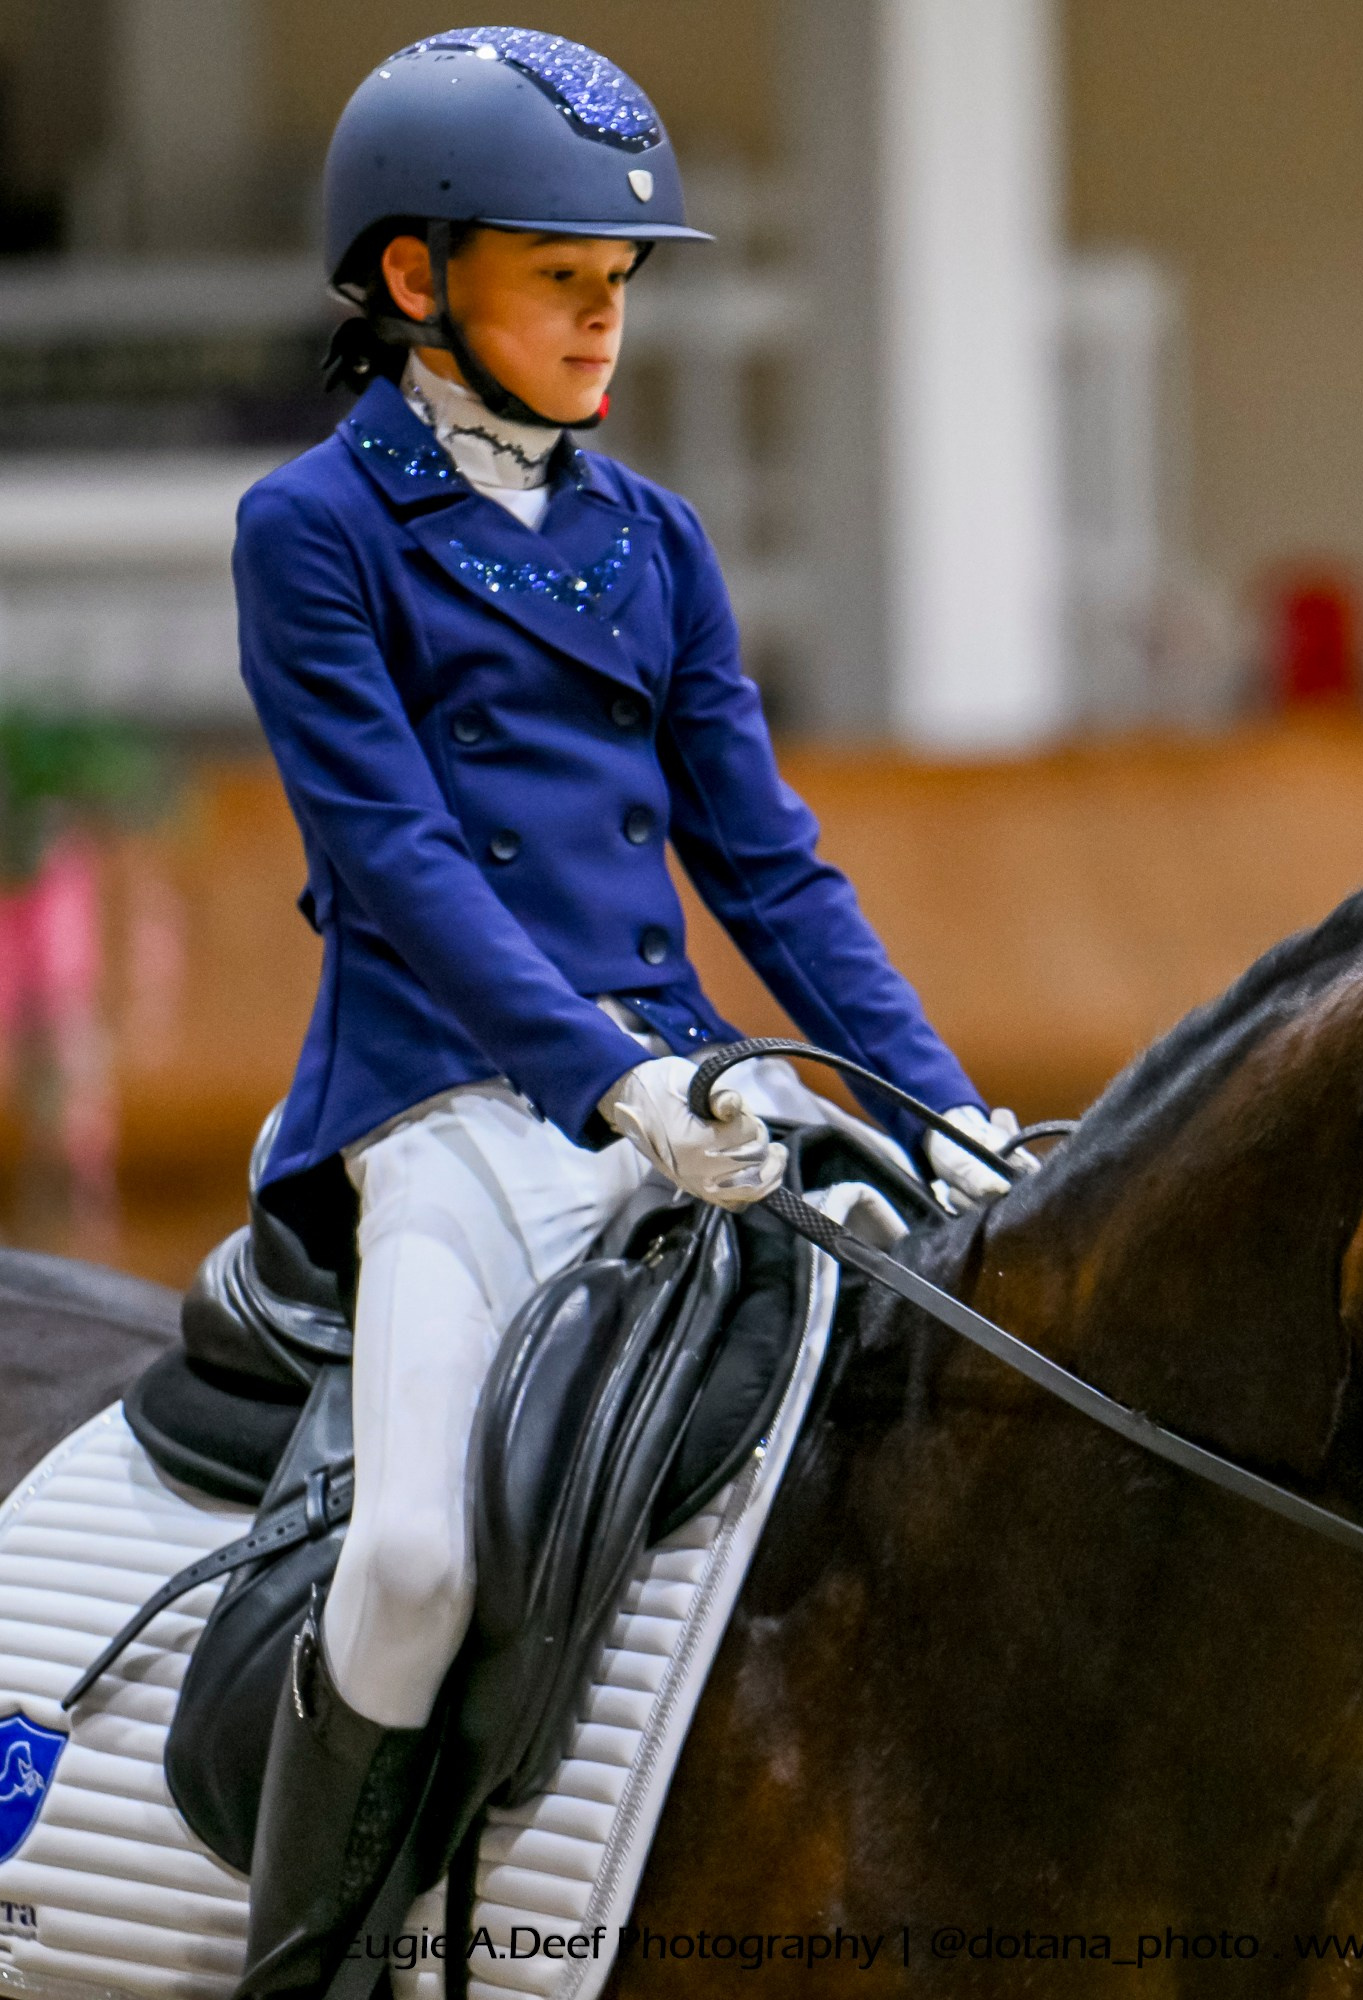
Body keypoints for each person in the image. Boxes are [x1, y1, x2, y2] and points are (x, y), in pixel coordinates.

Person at [231, 28, 1024, 1994]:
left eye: (619, 288)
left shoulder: (651, 542)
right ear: (419, 279)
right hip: (448, 1113)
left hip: (694, 1091)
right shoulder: (314, 533)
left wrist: (942, 1112)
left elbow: (766, 867)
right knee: (413, 1565)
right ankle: (309, 1965)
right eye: (563, 282)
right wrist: (613, 1080)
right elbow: (398, 865)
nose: (607, 326)